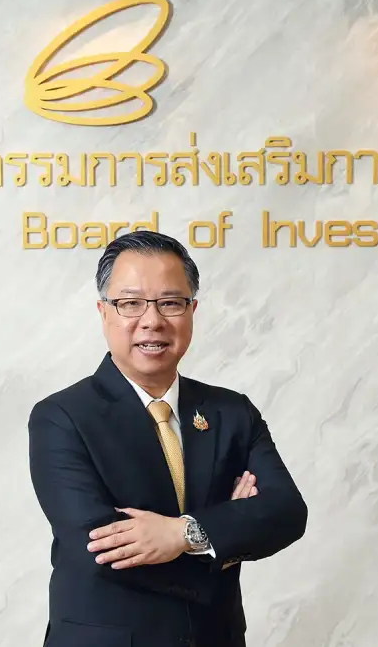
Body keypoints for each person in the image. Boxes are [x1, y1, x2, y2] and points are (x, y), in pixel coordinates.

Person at [27, 230, 308, 647]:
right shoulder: (61, 417)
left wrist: (183, 535)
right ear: (103, 312)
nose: (152, 320)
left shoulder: (232, 412)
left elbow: (287, 512)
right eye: (130, 303)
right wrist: (226, 534)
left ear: (192, 310)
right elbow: (101, 548)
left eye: (171, 303)